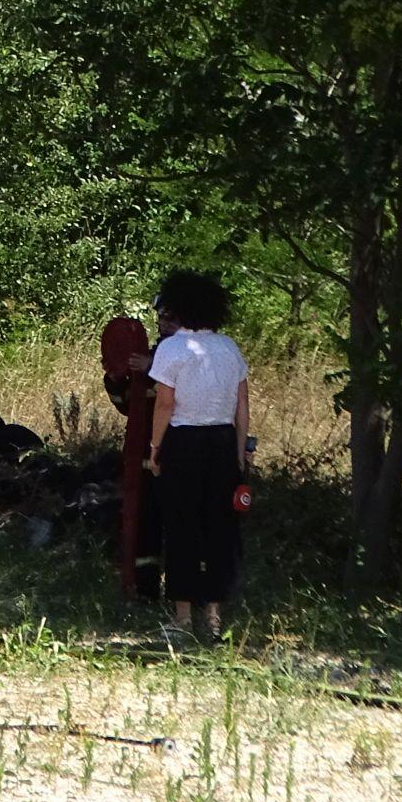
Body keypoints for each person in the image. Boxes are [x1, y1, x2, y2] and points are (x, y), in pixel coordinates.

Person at [144, 271, 249, 640]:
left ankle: (183, 619)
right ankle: (215, 618)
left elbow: (165, 404)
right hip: (222, 442)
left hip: (183, 441)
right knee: (219, 527)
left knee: (182, 527)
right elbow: (242, 406)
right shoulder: (229, 348)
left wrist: (154, 449)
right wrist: (239, 454)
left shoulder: (172, 349)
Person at [100, 314, 163, 602]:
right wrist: (115, 380)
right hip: (143, 461)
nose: (165, 322)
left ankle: (189, 596)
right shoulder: (149, 358)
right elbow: (130, 406)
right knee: (144, 527)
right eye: (162, 317)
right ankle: (146, 592)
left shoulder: (186, 357)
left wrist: (154, 368)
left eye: (171, 317)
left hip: (180, 457)